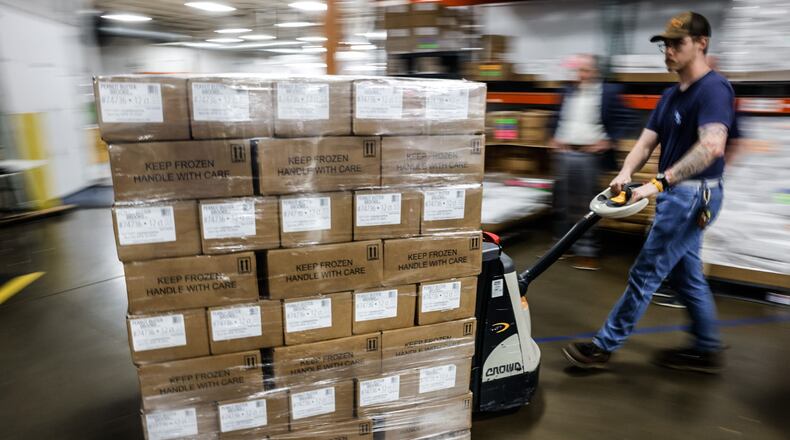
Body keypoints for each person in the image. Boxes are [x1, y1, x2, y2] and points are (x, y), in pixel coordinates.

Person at [562, 11, 734, 373]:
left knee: (645, 273)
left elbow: (712, 147)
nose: (668, 51)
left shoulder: (714, 89)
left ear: (701, 43)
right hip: (680, 195)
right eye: (665, 44)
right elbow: (645, 143)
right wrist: (626, 171)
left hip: (691, 196)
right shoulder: (670, 95)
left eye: (677, 43)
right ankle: (707, 348)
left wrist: (657, 184)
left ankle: (603, 347)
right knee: (687, 275)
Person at [549, 54, 635, 271]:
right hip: (565, 154)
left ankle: (587, 252)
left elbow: (627, 118)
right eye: (577, 71)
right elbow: (555, 117)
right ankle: (562, 247)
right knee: (562, 204)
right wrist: (553, 136)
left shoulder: (609, 92)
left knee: (588, 206)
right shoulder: (566, 91)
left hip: (589, 157)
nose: (580, 75)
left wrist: (609, 141)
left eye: (584, 70)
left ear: (594, 71)